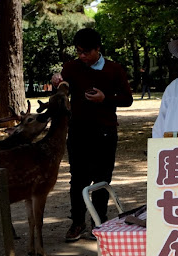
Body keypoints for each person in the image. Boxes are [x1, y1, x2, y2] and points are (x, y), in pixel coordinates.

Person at [51, 28, 133, 242]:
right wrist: (57, 82)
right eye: (79, 52)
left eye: (86, 52)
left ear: (98, 49)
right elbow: (63, 88)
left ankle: (99, 222)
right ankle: (77, 222)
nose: (82, 56)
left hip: (105, 131)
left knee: (103, 178)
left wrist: (105, 98)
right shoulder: (71, 67)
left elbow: (127, 99)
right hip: (78, 130)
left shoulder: (114, 69)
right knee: (78, 179)